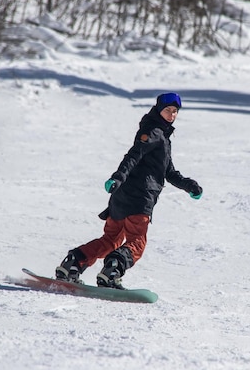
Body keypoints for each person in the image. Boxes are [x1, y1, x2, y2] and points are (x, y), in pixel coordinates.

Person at [55, 92, 203, 289]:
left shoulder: (161, 136)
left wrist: (189, 185)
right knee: (137, 242)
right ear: (159, 110)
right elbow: (134, 155)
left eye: (175, 111)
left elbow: (169, 171)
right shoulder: (154, 132)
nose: (172, 115)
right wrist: (118, 176)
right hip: (140, 197)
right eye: (168, 110)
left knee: (110, 239)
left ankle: (74, 262)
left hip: (120, 198)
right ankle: (112, 271)